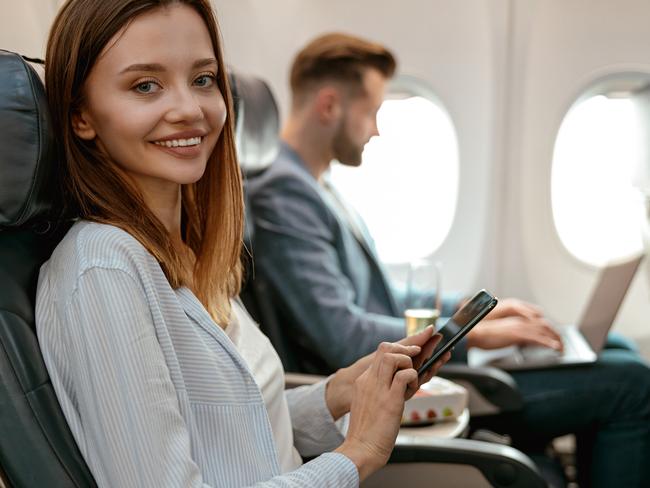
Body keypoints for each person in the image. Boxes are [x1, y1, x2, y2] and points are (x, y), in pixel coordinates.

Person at [34, 3, 451, 487]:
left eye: (203, 79)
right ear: (81, 116)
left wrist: (340, 391)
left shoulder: (183, 254)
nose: (190, 109)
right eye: (145, 85)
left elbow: (235, 428)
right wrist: (357, 455)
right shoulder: (104, 268)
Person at [247, 32, 650, 487]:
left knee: (617, 347)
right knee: (633, 384)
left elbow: (377, 292)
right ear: (328, 106)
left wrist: (467, 310)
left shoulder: (316, 185)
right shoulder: (284, 193)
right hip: (379, 382)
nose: (376, 129)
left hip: (397, 359)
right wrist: (471, 338)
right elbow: (343, 334)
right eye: (372, 111)